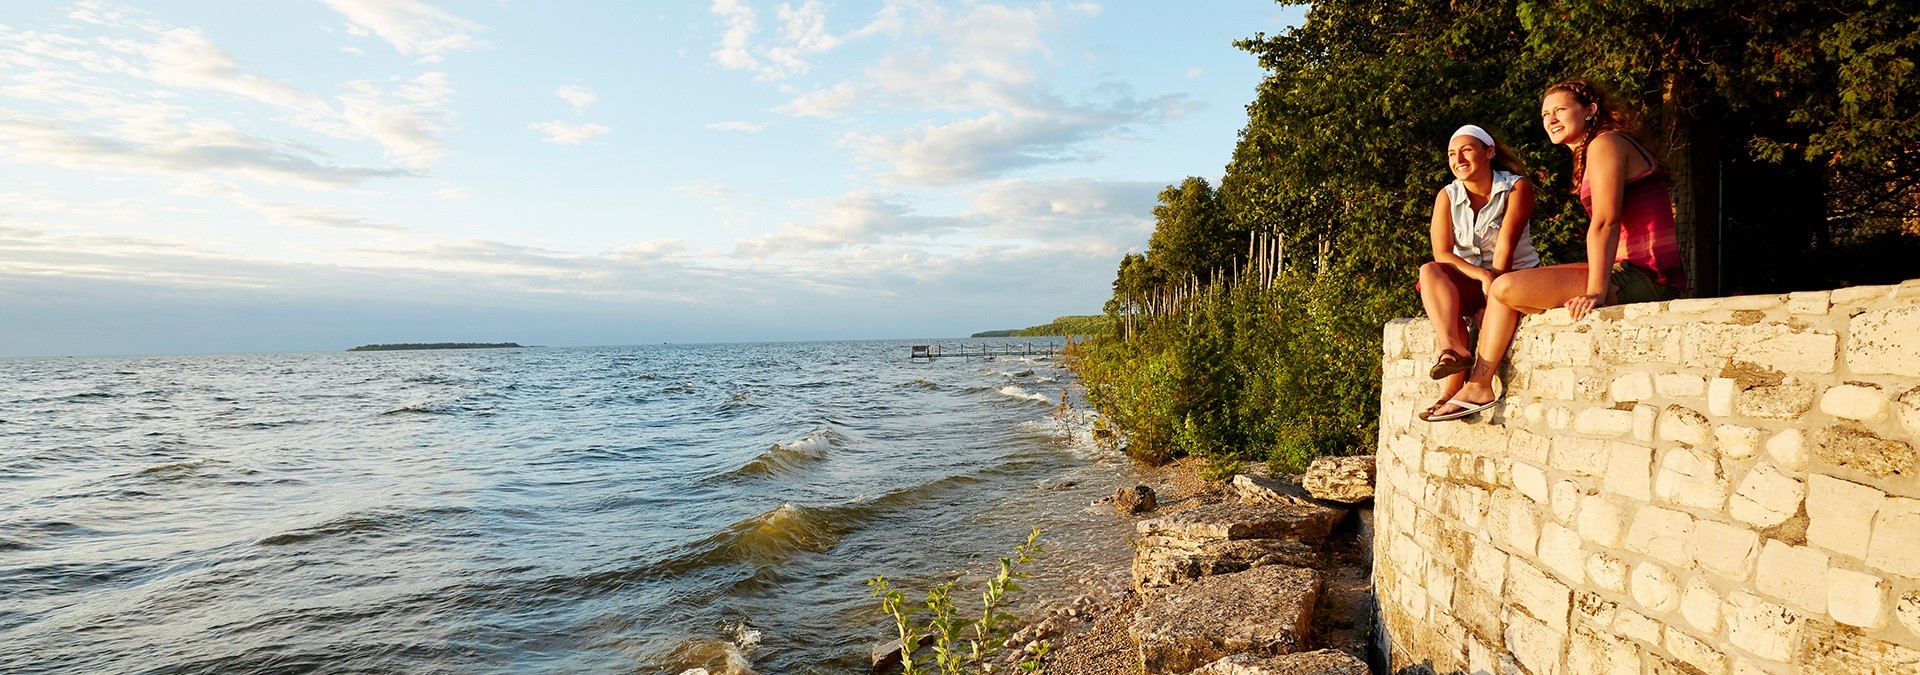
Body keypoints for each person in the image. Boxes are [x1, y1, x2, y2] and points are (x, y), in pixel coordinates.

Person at [1426, 79, 1686, 421]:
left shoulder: (1605, 145)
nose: (1551, 119)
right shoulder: (1595, 149)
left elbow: (1605, 222)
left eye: (1560, 110)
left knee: (1505, 287)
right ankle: (1478, 385)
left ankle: (1478, 385)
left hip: (1647, 277)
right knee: (1511, 286)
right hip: (1625, 269)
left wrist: (1596, 290)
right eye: (1546, 113)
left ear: (1591, 110)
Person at [1415, 124, 1538, 422]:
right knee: (1429, 271)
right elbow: (1442, 252)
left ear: (1489, 152)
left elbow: (1506, 246)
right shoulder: (1447, 195)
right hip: (1474, 279)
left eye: (1467, 150)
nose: (1459, 159)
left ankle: (1456, 387)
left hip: (1512, 277)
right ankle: (1452, 352)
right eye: (1452, 154)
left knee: (1496, 287)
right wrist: (1481, 277)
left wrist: (1492, 290)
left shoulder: (1516, 188)